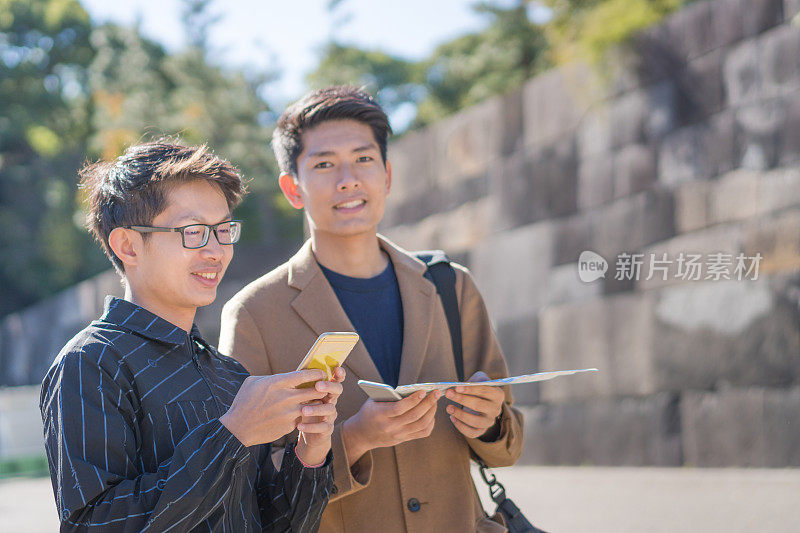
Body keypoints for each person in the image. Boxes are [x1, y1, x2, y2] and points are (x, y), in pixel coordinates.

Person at [218, 87, 524, 532]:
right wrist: (354, 439)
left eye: (363, 159)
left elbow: (509, 443)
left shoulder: (449, 287)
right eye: (324, 164)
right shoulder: (254, 314)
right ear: (292, 188)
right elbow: (244, 481)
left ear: (387, 175)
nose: (348, 179)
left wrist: (491, 421)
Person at [40, 141, 343, 532]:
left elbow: (277, 524)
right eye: (194, 231)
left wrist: (311, 452)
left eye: (223, 230)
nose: (216, 251)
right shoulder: (90, 363)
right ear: (128, 245)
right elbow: (95, 524)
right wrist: (233, 434)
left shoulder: (229, 373)